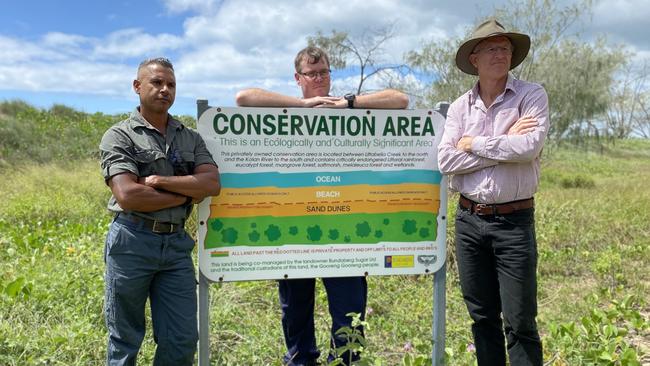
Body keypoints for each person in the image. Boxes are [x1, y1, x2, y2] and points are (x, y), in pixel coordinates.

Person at [236, 46, 408, 366]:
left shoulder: (348, 106)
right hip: (295, 230)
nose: (319, 79)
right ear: (298, 77)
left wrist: (349, 103)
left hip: (345, 232)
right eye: (311, 74)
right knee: (295, 310)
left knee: (351, 311)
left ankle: (346, 361)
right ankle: (301, 360)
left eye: (324, 72)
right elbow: (244, 98)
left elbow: (400, 100)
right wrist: (303, 104)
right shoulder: (287, 111)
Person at [437, 19, 548, 365]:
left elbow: (529, 146)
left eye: (505, 48)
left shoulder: (532, 96)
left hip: (514, 223)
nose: (501, 53)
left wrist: (475, 144)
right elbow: (445, 159)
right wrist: (503, 144)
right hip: (469, 221)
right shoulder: (459, 107)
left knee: (519, 321)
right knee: (482, 318)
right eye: (492, 47)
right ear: (474, 58)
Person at [99, 57, 221, 365]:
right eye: (156, 83)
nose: (165, 89)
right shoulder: (120, 135)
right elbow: (128, 195)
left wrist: (158, 181)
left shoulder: (190, 137)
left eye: (171, 84)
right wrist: (183, 196)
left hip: (176, 247)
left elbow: (211, 183)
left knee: (181, 339)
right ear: (137, 87)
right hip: (132, 242)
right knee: (125, 338)